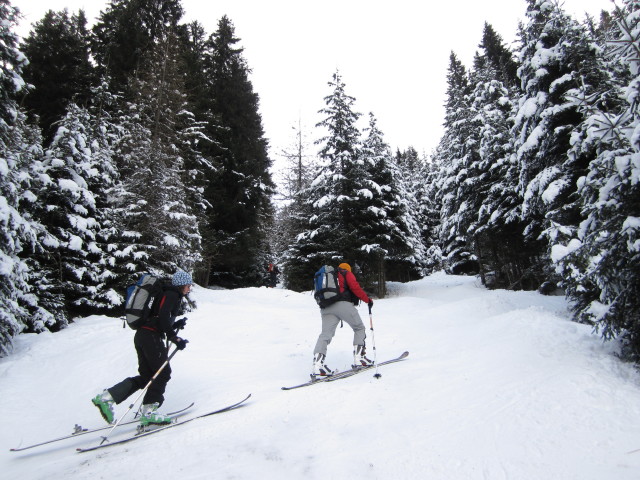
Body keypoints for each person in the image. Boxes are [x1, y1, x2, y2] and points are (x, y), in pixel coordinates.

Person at [91, 270, 192, 427]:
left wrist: (175, 325)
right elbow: (163, 316)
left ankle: (106, 397)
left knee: (148, 377)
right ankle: (149, 412)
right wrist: (174, 337)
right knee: (163, 373)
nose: (189, 288)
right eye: (188, 285)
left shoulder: (166, 293)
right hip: (151, 337)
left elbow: (158, 317)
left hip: (142, 336)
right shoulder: (172, 294)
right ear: (181, 285)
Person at [312, 262, 374, 377]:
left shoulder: (327, 277)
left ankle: (317, 365)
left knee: (325, 335)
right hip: (343, 305)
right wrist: (368, 300)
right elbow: (355, 287)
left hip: (326, 307)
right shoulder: (346, 273)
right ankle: (359, 358)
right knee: (359, 328)